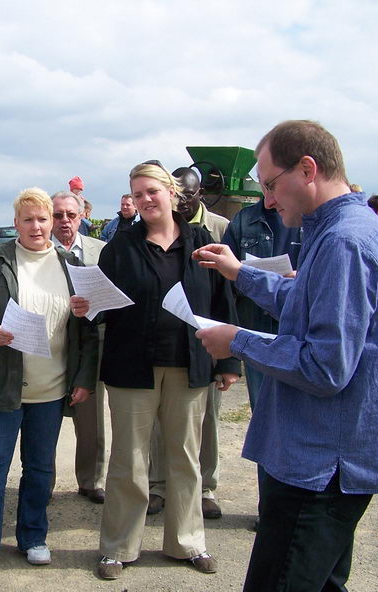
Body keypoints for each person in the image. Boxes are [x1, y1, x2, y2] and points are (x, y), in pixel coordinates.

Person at [193, 120, 378, 591]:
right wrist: (241, 273)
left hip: (321, 465)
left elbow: (324, 366)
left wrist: (236, 342)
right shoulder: (343, 230)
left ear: (307, 168)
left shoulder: (343, 241)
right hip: (328, 460)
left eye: (270, 184)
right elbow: (308, 304)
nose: (267, 200)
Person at [92, 161, 240, 581]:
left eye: (151, 191)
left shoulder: (202, 240)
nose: (144, 200)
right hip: (131, 367)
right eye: (137, 195)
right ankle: (118, 547)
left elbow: (221, 300)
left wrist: (228, 361)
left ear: (171, 193)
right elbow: (99, 304)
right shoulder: (120, 246)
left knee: (184, 458)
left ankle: (187, 542)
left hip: (188, 365)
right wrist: (86, 308)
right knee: (129, 460)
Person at [0, 187, 98, 582]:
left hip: (51, 388)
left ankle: (33, 536)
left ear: (53, 222)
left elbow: (86, 329)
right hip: (1, 385)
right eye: (28, 219)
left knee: (39, 468)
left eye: (43, 219)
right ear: (15, 223)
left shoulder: (71, 264)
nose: (36, 226)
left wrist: (84, 379)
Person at [146, 166, 231, 520]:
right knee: (158, 425)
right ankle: (158, 486)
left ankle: (205, 488)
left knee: (205, 421)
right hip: (162, 347)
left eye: (189, 194)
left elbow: (226, 295)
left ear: (200, 195)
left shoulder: (220, 230)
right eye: (177, 193)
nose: (183, 200)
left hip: (204, 346)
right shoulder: (146, 234)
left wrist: (228, 361)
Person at [50, 190, 108, 504]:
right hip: (53, 342)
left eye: (71, 215)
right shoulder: (40, 251)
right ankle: (44, 481)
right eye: (57, 215)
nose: (64, 221)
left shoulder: (102, 251)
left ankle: (91, 479)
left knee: (91, 419)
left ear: (82, 215)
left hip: (92, 342)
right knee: (46, 419)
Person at [222, 199, 301, 410]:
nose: (270, 191)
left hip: (296, 327)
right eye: (265, 184)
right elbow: (224, 280)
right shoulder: (244, 219)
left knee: (298, 407)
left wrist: (302, 278)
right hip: (255, 326)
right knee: (262, 407)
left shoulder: (307, 217)